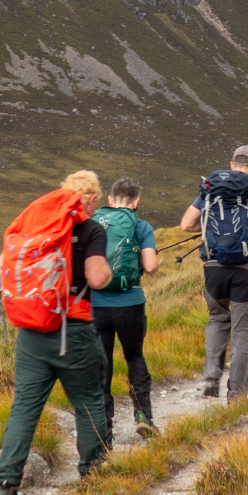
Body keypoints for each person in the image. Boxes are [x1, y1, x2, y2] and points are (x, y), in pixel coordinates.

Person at [0, 171, 112, 495]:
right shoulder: (92, 230)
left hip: (31, 332)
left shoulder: (34, 226)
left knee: (24, 408)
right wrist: (107, 269)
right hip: (72, 331)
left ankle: (7, 489)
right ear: (88, 199)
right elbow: (96, 278)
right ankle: (93, 475)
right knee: (88, 401)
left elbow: (0, 270)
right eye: (95, 200)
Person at [180, 145, 248, 400]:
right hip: (245, 270)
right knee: (243, 329)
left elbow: (186, 224)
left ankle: (211, 377)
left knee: (217, 318)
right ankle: (236, 394)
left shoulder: (211, 187)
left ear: (232, 163)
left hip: (213, 268)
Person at [90, 177, 159, 441]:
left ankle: (103, 431)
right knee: (134, 357)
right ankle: (144, 417)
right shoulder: (141, 227)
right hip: (130, 304)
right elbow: (151, 267)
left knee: (103, 366)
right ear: (136, 201)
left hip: (96, 306)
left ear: (110, 200)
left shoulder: (92, 224)